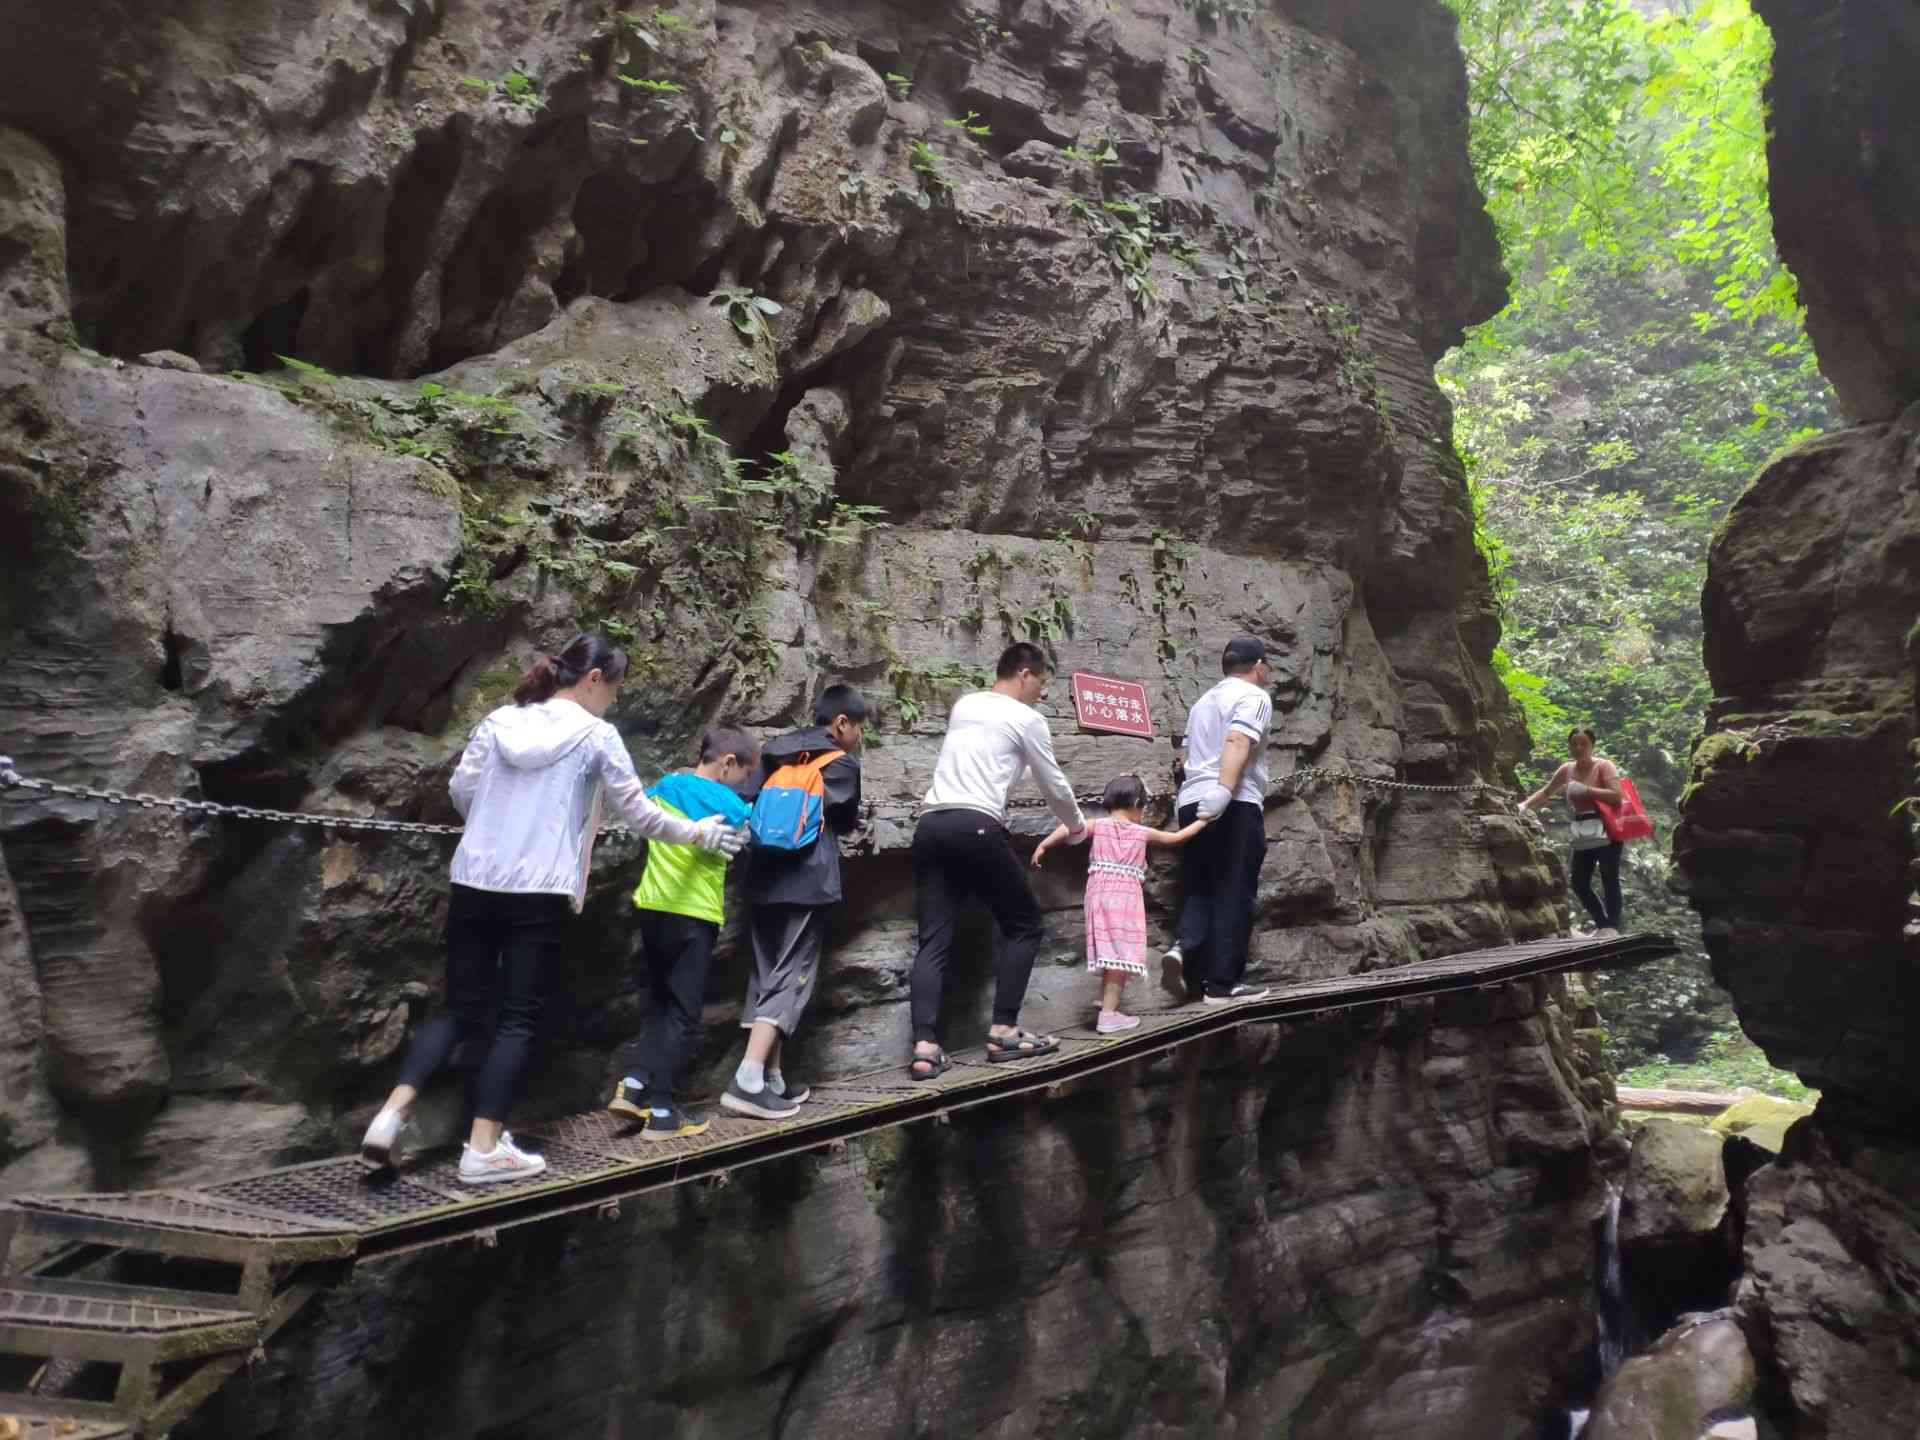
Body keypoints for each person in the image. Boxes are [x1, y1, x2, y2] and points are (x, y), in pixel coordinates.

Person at [359, 634, 748, 1182]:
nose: (613, 699)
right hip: (538, 889)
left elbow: (461, 791)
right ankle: (484, 1147)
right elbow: (641, 815)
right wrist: (700, 835)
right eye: (613, 688)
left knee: (459, 1009)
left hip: (474, 878)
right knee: (517, 1019)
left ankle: (392, 1113)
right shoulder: (596, 735)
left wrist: (500, 823)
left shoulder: (500, 720)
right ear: (594, 681)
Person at [908, 642, 1088, 1080]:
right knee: (1025, 924)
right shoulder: (1027, 719)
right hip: (976, 825)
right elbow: (1055, 785)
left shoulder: (966, 705)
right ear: (1025, 674)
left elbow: (989, 759)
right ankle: (1004, 1029)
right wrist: (1078, 829)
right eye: (1041, 682)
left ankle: (925, 1047)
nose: (1041, 693)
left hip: (931, 825)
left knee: (934, 939)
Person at [719, 684, 869, 1121]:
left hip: (762, 878)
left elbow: (746, 801)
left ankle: (772, 1078)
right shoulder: (840, 764)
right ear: (841, 723)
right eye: (858, 728)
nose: (858, 737)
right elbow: (843, 819)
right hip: (806, 881)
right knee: (793, 974)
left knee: (765, 972)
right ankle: (748, 1078)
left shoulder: (774, 750)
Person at [607, 727, 759, 1140]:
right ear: (727, 763)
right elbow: (750, 832)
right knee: (684, 1013)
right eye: (744, 774)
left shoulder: (663, 789)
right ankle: (663, 1112)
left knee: (658, 1003)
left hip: (653, 907)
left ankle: (635, 1085)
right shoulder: (730, 804)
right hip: (693, 913)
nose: (744, 785)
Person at [1031, 773, 1211, 1033]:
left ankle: (1107, 1003)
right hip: (1125, 899)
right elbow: (1178, 838)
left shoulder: (1098, 825)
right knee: (1121, 956)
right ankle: (1108, 1015)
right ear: (1137, 802)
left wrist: (1043, 845)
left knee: (1111, 953)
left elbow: (1069, 827)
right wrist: (1204, 819)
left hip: (1097, 895)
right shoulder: (1141, 832)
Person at [1162, 636, 1275, 1006]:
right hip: (1232, 802)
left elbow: (1185, 757)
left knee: (1201, 884)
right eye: (1267, 666)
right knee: (1234, 888)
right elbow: (1238, 740)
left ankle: (1184, 946)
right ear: (1258, 665)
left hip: (1191, 801)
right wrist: (1225, 790)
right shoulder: (1255, 696)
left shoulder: (1202, 703)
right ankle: (1222, 985)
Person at [1518, 727, 1625, 937]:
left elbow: (1616, 796)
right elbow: (1547, 791)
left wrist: (1587, 790)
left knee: (1608, 876)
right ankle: (1602, 923)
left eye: (1583, 743)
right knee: (1578, 881)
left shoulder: (1604, 766)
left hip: (1607, 829)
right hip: (1583, 830)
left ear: (1592, 745)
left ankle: (1612, 926)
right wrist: (1524, 806)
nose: (1578, 747)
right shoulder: (1567, 769)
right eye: (1574, 743)